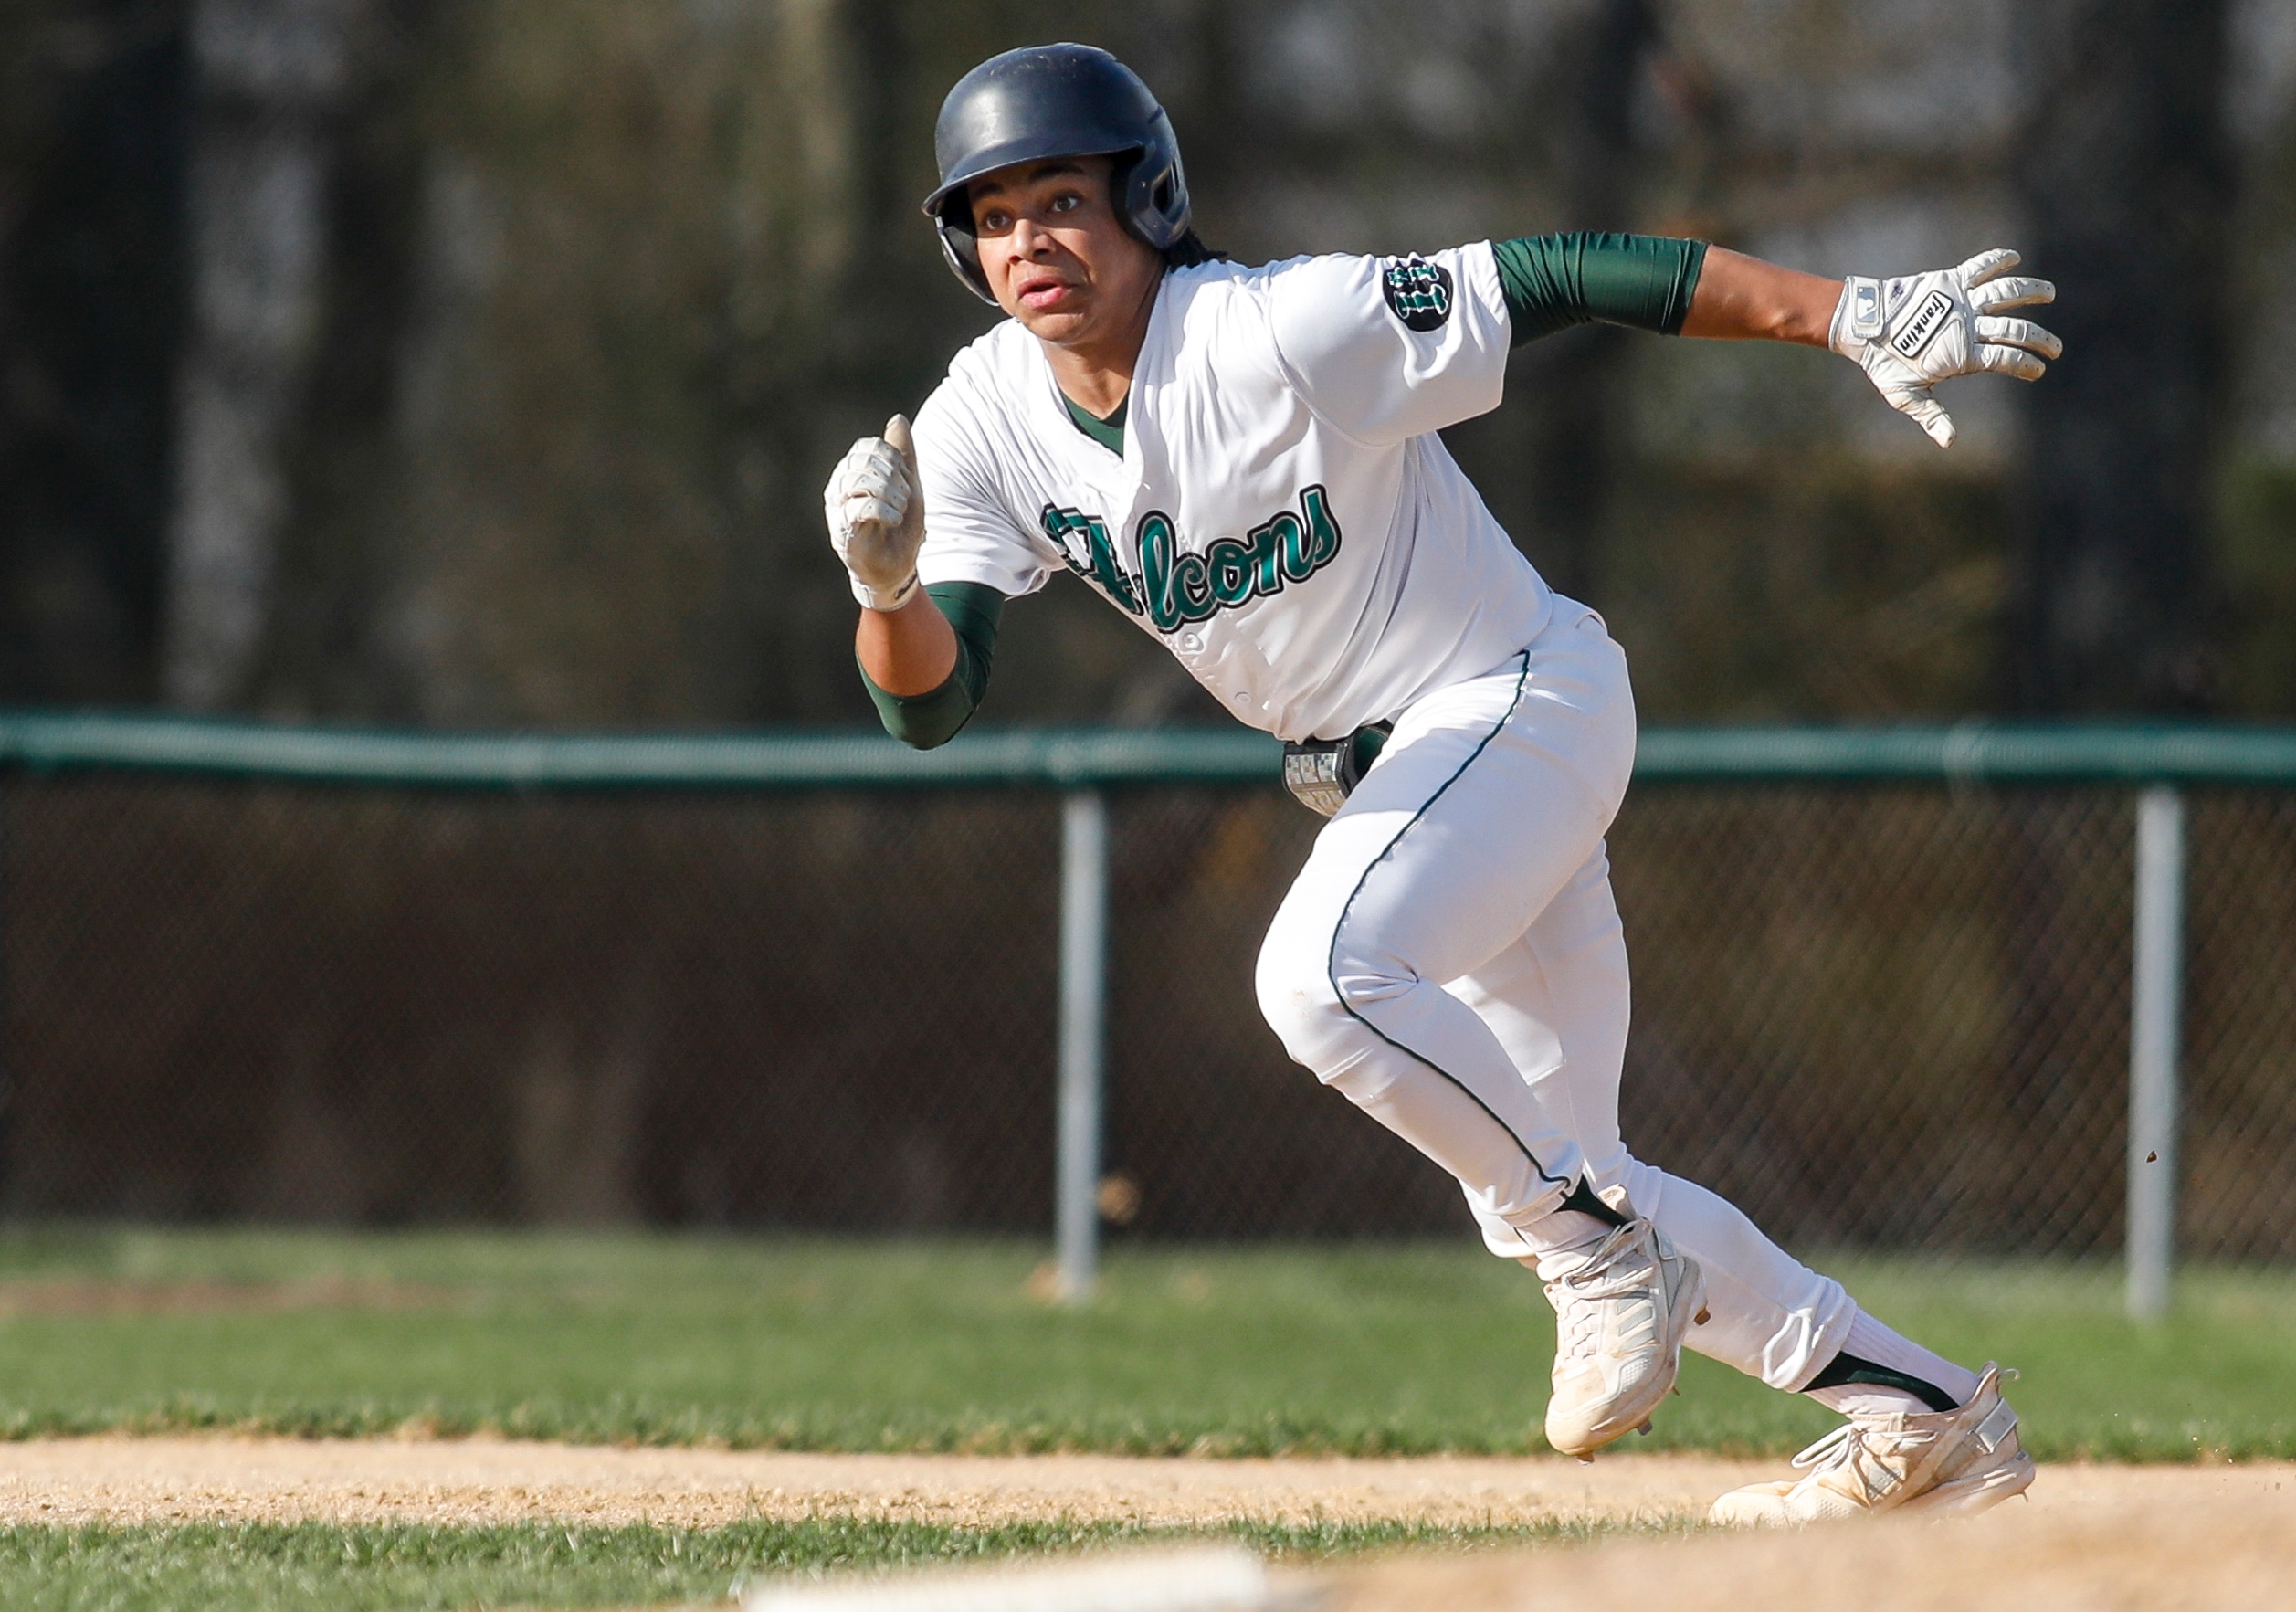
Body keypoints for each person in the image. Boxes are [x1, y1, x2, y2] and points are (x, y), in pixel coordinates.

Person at [824, 43, 2059, 1524]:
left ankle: (1606, 1256)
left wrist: (1847, 310)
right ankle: (1923, 1421)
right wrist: (883, 584)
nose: (1032, 240)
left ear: (1146, 199)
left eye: (1064, 199)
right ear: (966, 247)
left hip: (1521, 701)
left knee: (1327, 988)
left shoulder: (1284, 328)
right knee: (1563, 1170)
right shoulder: (979, 424)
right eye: (998, 214)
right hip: (1415, 783)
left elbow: (1572, 269)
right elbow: (931, 705)